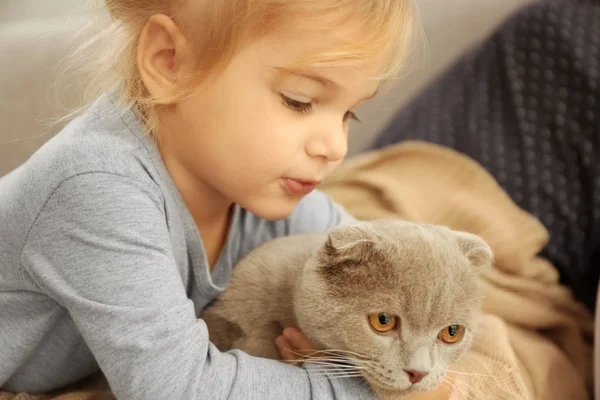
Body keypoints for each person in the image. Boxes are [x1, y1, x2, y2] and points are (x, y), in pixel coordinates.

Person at [0, 0, 420, 399]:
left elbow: (390, 270)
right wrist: (376, 391)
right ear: (169, 62)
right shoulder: (95, 185)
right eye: (300, 100)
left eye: (349, 113)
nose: (335, 146)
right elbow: (178, 389)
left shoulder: (259, 189)